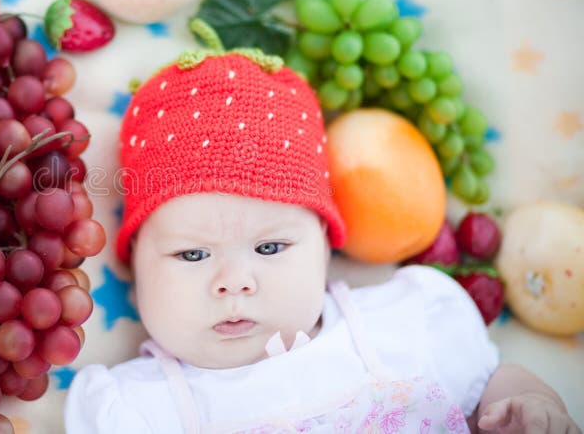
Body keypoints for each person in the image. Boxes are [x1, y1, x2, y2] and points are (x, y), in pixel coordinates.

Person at [64, 51, 580, 433]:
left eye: (270, 248)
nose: (235, 283)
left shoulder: (408, 322)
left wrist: (529, 403)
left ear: (326, 249)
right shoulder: (136, 411)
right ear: (136, 268)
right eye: (192, 254)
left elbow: (491, 384)